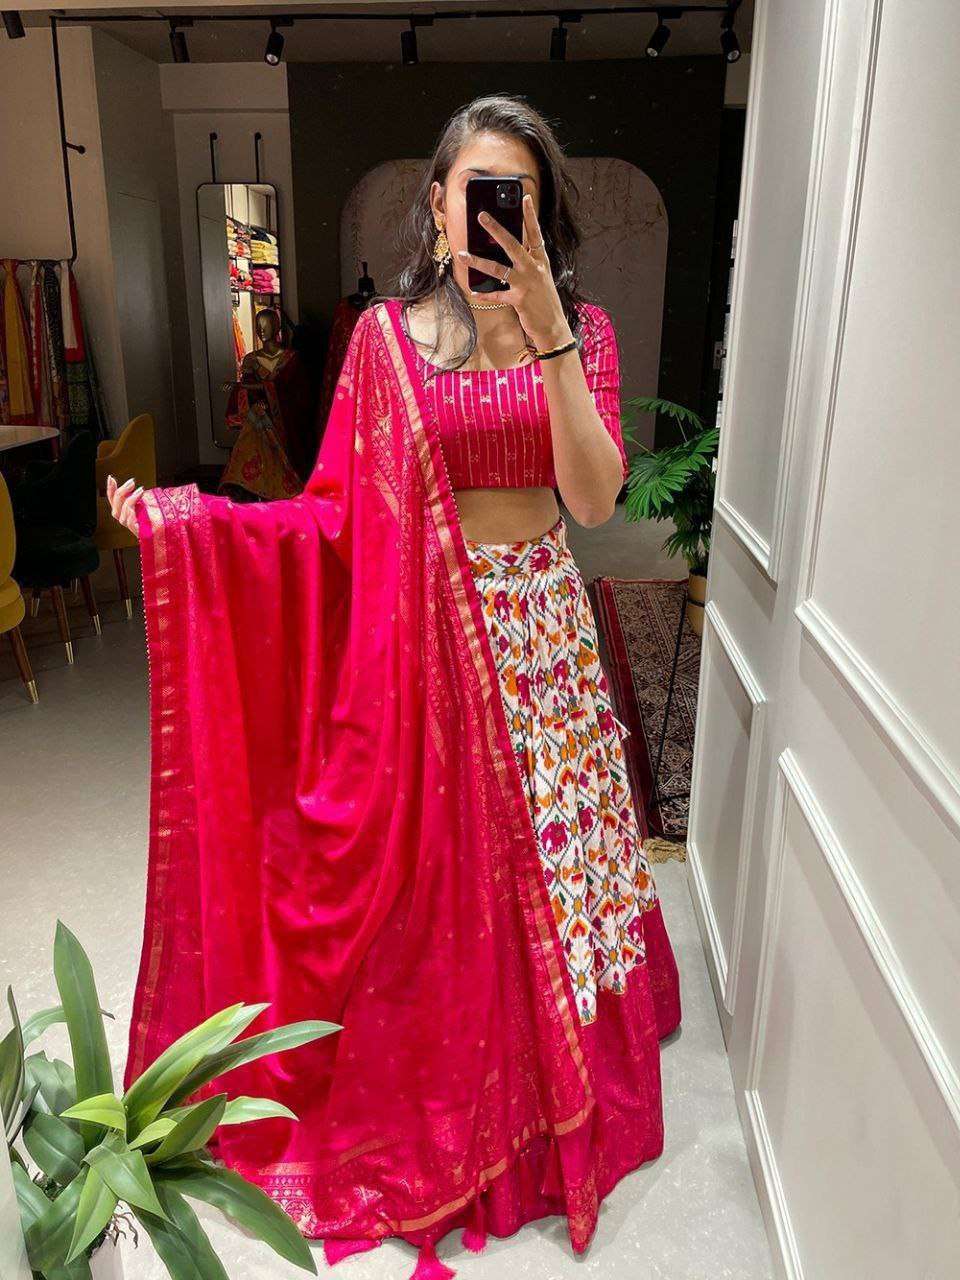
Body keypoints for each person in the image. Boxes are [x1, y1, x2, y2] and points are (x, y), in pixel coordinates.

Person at [109, 93, 681, 1279]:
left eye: (517, 198)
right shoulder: (386, 343)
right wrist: (191, 526)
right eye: (476, 194)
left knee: (550, 890)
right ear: (436, 203)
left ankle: (552, 1090)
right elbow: (330, 520)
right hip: (423, 644)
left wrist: (549, 336)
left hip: (543, 647)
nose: (493, 218)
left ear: (542, 213)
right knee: (438, 895)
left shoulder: (586, 331)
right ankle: (459, 1088)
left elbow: (592, 501)